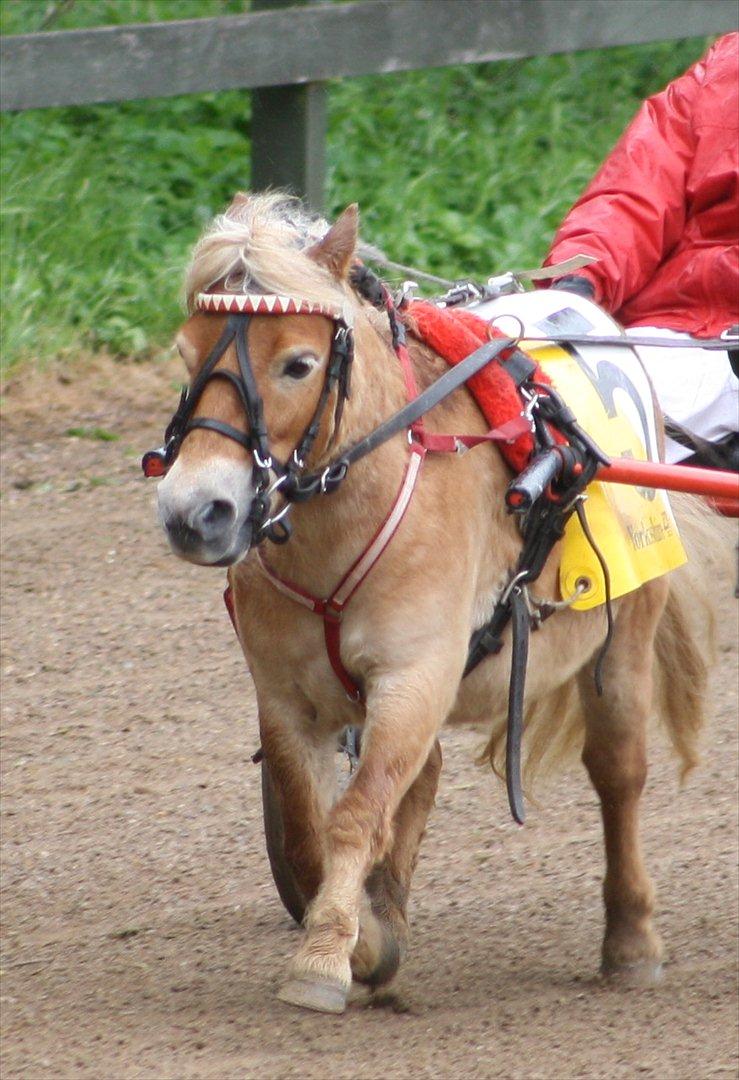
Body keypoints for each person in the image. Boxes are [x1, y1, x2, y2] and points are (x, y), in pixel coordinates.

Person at [542, 32, 739, 467]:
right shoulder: (726, 71)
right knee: (549, 406)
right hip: (678, 337)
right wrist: (578, 280)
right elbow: (633, 193)